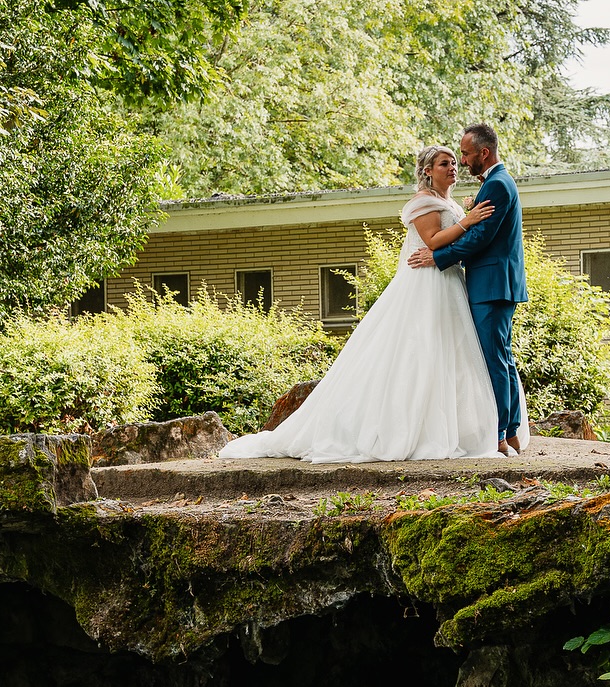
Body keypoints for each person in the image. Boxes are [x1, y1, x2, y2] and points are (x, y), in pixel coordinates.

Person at [218, 144, 523, 464]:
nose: (453, 167)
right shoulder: (422, 202)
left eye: (453, 163)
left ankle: (460, 428)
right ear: (427, 171)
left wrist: (468, 216)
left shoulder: (449, 203)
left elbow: (455, 241)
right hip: (425, 282)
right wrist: (469, 219)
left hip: (450, 282)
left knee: (454, 354)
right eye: (445, 163)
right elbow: (432, 242)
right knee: (418, 352)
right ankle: (407, 427)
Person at [407, 123, 527, 456]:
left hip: (492, 285)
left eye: (464, 154)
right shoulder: (495, 184)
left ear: (483, 153)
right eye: (454, 157)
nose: (461, 161)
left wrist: (437, 257)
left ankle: (500, 434)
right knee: (502, 358)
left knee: (495, 360)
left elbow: (479, 238)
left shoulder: (498, 186)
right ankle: (511, 431)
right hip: (492, 284)